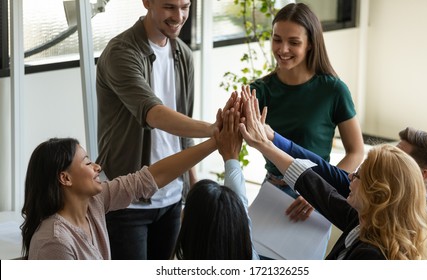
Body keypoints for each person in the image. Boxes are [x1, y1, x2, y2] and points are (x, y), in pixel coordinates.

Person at [238, 92, 427, 259]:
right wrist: (266, 143)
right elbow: (315, 185)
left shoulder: (371, 255)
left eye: (359, 174)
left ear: (378, 193)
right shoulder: (367, 221)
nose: (350, 176)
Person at [96, 0, 211, 259]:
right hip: (127, 201)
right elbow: (154, 114)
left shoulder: (184, 54)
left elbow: (182, 129)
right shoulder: (121, 52)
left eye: (185, 7)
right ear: (147, 2)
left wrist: (192, 186)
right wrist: (215, 130)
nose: (179, 16)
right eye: (169, 7)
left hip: (171, 198)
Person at [266, 124, 427, 260]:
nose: (350, 177)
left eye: (398, 159)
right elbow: (321, 181)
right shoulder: (366, 212)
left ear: (420, 174)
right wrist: (269, 140)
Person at [250, 2, 364, 223]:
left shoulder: (333, 90)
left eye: (294, 42)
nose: (282, 49)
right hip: (272, 191)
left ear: (311, 43)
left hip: (315, 199)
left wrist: (321, 190)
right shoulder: (260, 90)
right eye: (277, 39)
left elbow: (356, 152)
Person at [20, 134, 218, 260]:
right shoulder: (55, 242)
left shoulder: (93, 204)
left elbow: (149, 178)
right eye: (87, 163)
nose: (98, 167)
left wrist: (215, 142)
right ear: (65, 178)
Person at [174, 104, 259, 259]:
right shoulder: (249, 255)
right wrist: (231, 156)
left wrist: (222, 144)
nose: (182, 212)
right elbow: (240, 207)